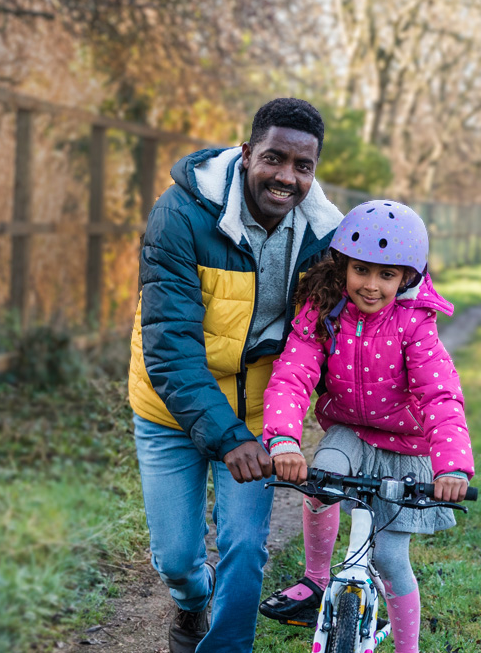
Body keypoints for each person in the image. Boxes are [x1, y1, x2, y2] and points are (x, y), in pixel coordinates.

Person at [128, 97, 347, 653]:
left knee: (244, 549)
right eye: (274, 159)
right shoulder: (181, 214)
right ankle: (190, 600)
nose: (287, 177)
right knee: (177, 557)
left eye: (304, 166)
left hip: (255, 415)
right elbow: (171, 345)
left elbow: (368, 306)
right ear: (248, 154)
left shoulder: (325, 235)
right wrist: (226, 439)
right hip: (170, 407)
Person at [255, 200, 474, 653]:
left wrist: (451, 468)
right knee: (321, 483)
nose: (371, 286)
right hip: (349, 433)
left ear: (407, 278)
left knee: (391, 559)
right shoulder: (323, 311)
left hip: (406, 449)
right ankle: (316, 583)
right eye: (362, 270)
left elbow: (440, 395)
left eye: (387, 275)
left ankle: (407, 649)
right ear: (344, 265)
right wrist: (283, 439)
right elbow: (292, 376)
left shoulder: (415, 325)